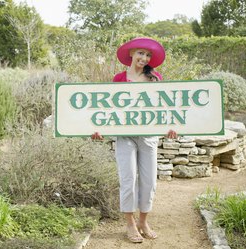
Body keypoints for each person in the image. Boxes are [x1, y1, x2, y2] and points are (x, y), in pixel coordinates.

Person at [92, 37, 177, 243]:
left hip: (148, 135)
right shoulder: (119, 78)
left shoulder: (155, 78)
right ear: (131, 54)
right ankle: (129, 223)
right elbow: (110, 107)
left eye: (148, 55)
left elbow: (162, 106)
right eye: (140, 53)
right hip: (125, 135)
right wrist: (98, 128)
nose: (144, 58)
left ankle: (143, 221)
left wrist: (171, 126)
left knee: (149, 181)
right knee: (128, 179)